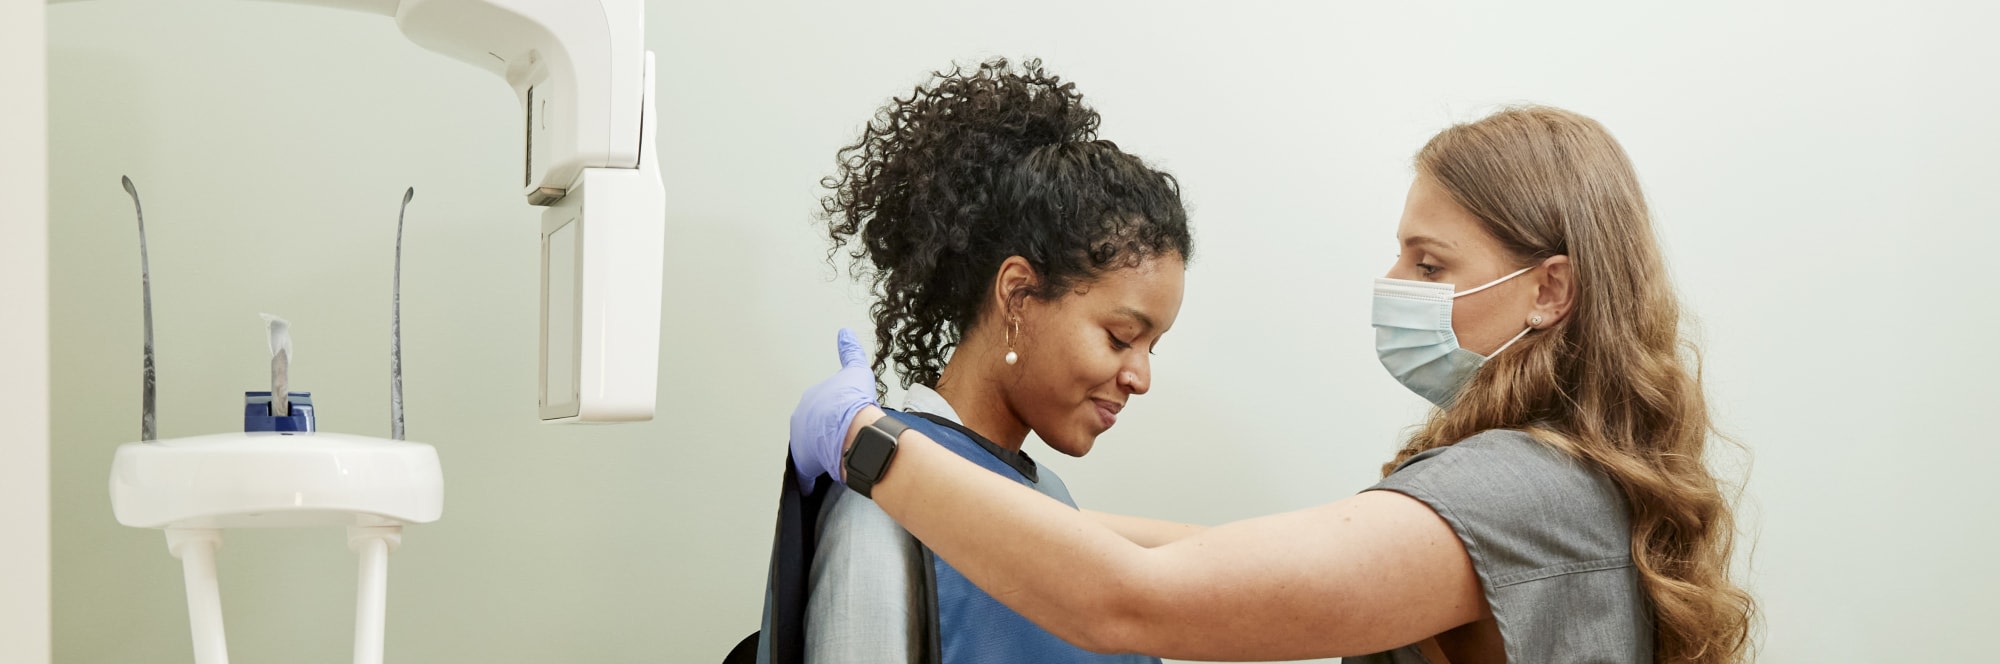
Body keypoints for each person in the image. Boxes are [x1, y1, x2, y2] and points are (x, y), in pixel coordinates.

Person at [787, 106, 1756, 663]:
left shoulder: (1520, 487)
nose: (1392, 288)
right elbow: (1226, 553)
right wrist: (975, 482)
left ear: (1548, 288)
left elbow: (1139, 596)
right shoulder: (1562, 483)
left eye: (1427, 264)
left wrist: (867, 445)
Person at [756, 58, 1193, 664]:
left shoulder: (1050, 499)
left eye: (1152, 348)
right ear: (1018, 293)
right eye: (1121, 337)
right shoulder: (886, 494)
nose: (1140, 377)